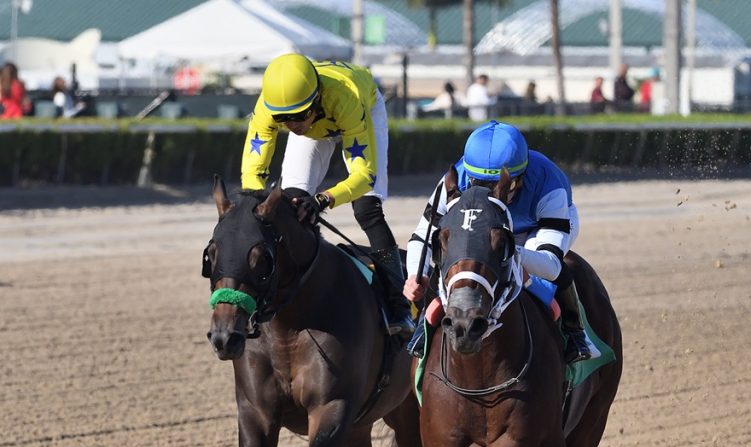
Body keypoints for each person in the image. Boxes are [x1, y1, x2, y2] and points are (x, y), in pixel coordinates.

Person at [241, 54, 413, 335]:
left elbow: (363, 175)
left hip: (363, 108)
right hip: (320, 121)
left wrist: (322, 200)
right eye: (283, 119)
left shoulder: (345, 98)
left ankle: (399, 306)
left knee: (367, 209)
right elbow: (252, 173)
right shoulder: (268, 108)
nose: (292, 126)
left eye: (297, 116)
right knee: (290, 203)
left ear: (317, 97)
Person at [403, 120, 601, 364]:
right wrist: (415, 274)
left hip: (534, 229)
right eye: (479, 185)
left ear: (518, 179)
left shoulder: (549, 187)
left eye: (497, 187)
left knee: (536, 272)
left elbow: (550, 264)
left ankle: (575, 332)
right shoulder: (456, 178)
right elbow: (423, 234)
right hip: (486, 232)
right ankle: (423, 327)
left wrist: (504, 251)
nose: (487, 195)